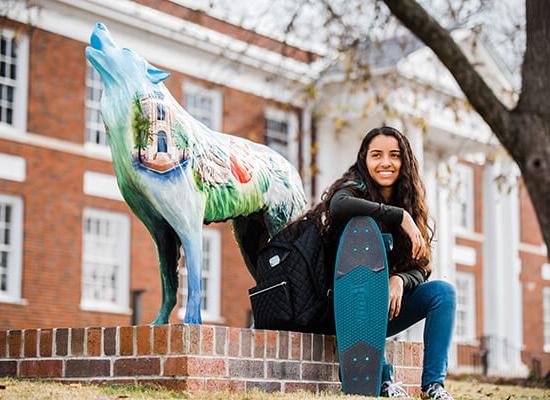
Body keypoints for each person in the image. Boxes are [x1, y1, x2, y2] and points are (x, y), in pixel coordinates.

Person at [309, 126, 456, 399]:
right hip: (341, 308)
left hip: (383, 308)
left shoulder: (411, 203)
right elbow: (338, 205)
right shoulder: (353, 188)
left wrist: (399, 279)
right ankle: (382, 379)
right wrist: (397, 216)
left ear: (404, 161)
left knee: (443, 293)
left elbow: (422, 266)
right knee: (364, 270)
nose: (385, 162)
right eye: (376, 155)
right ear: (364, 158)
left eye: (394, 155)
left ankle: (433, 386)